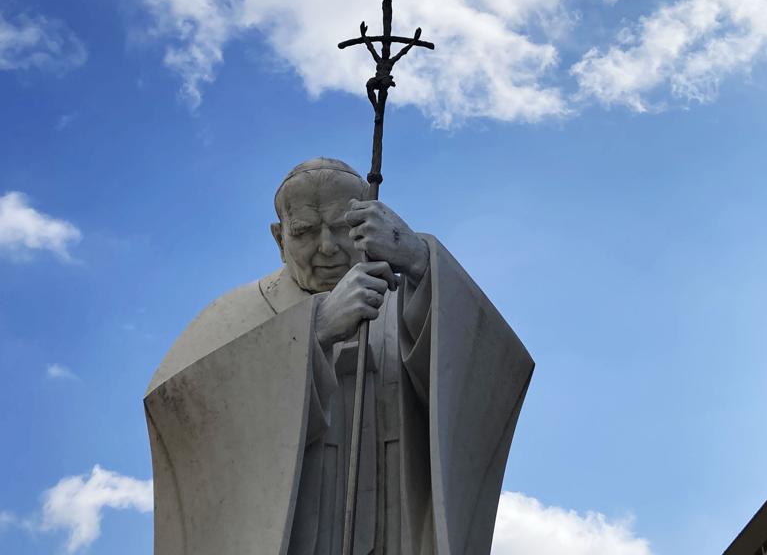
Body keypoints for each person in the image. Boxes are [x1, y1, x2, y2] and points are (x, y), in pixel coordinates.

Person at [145, 158, 533, 555]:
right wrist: (314, 331)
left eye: (343, 228)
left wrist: (420, 260)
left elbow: (493, 371)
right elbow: (179, 413)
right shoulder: (234, 316)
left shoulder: (408, 298)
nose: (327, 247)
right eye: (305, 232)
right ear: (279, 239)